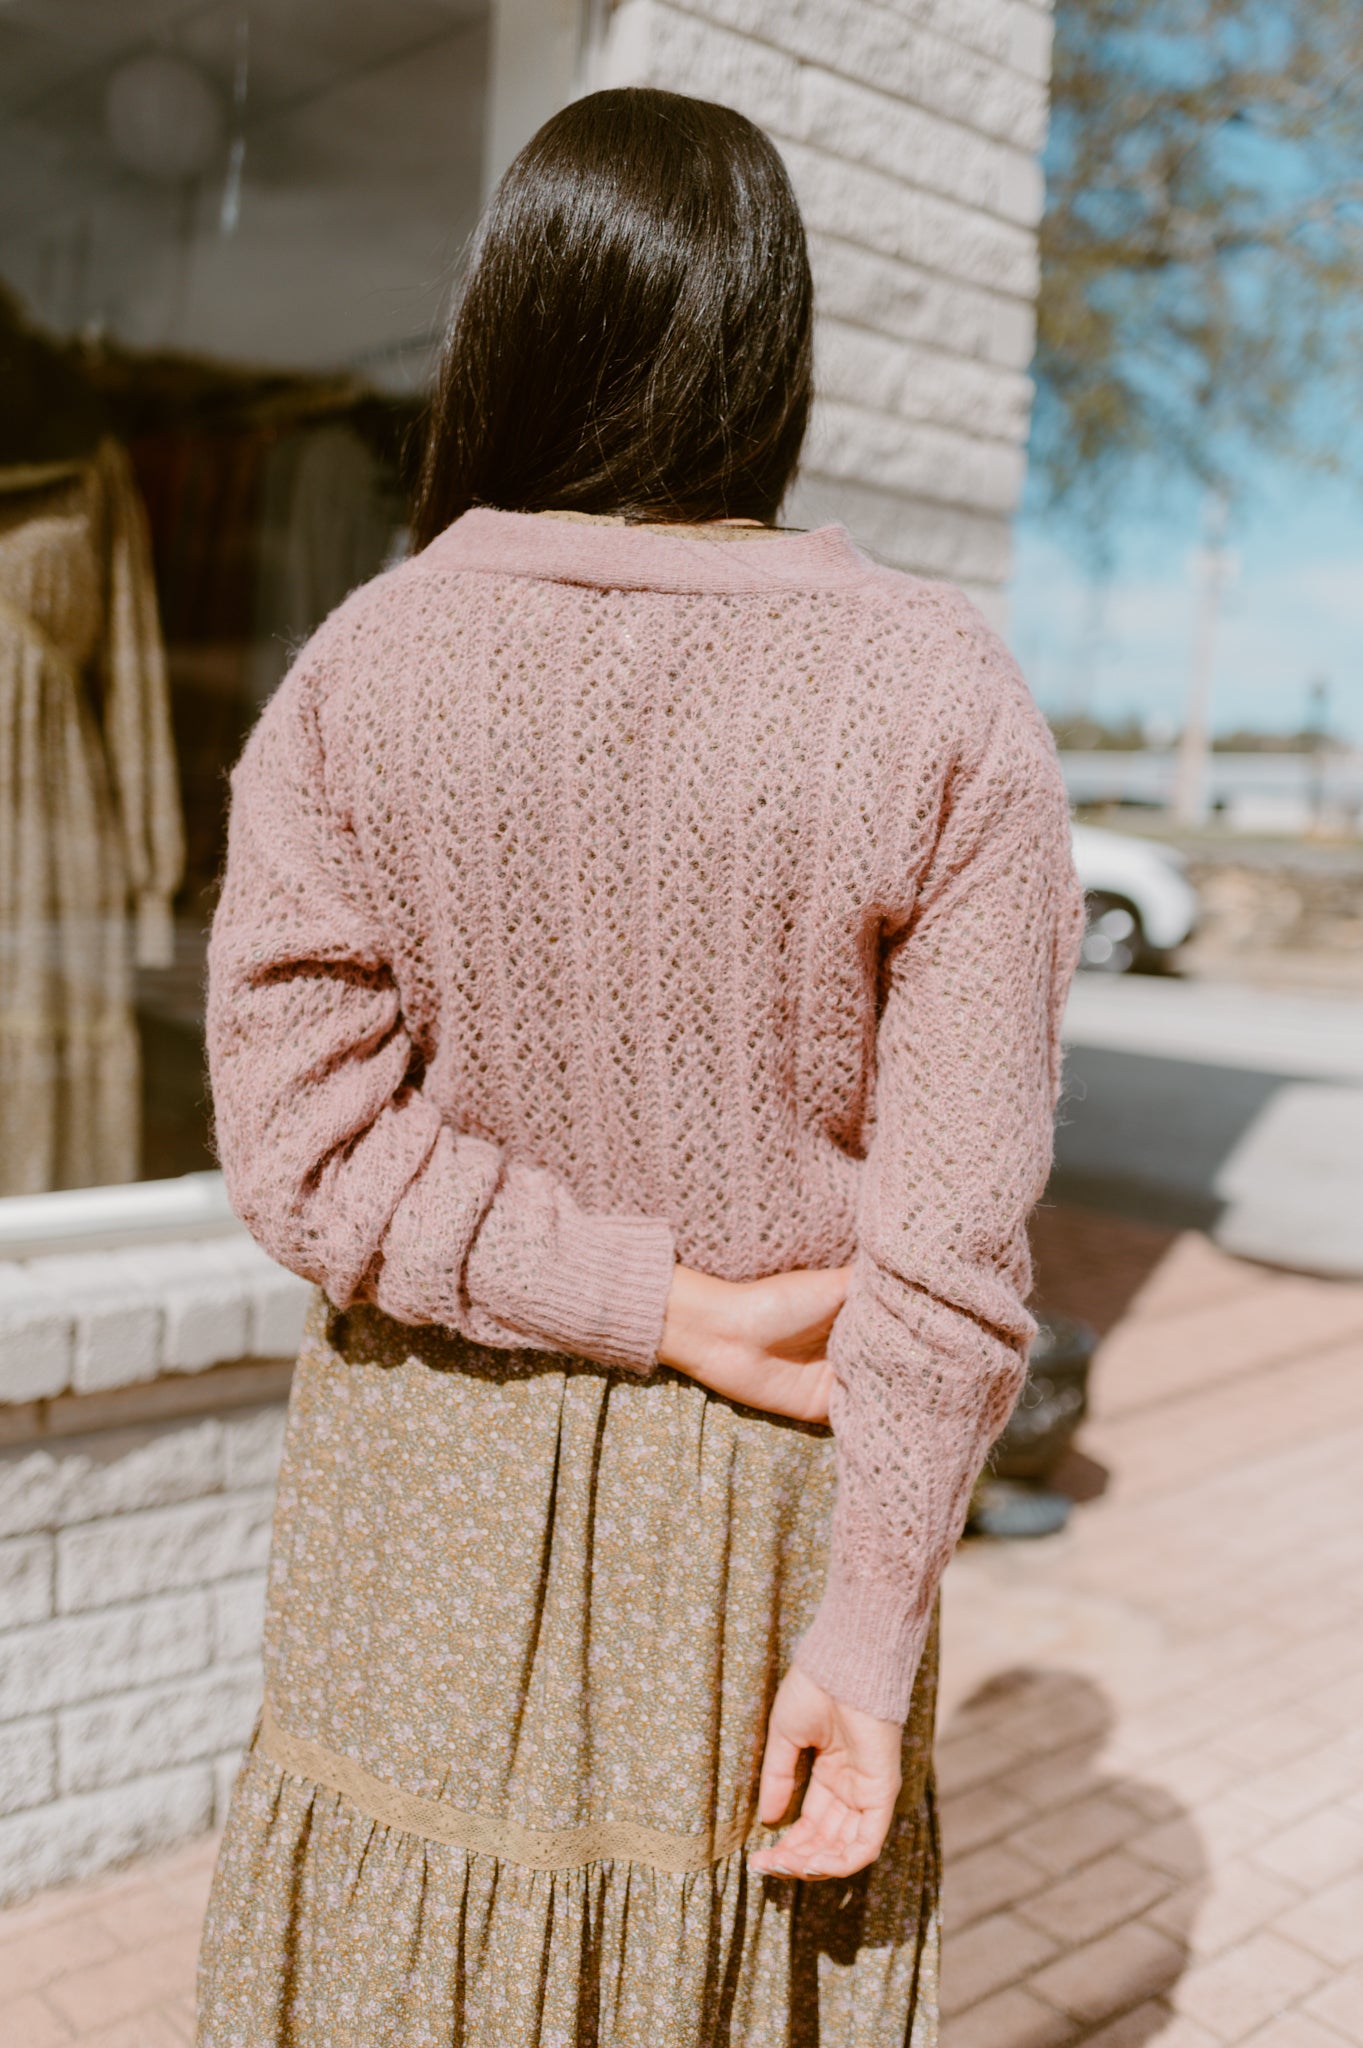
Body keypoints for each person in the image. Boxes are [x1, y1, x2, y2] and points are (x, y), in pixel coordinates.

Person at [196, 86, 1081, 2047]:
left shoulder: (365, 667)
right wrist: (864, 1639)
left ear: (508, 323)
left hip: (421, 1495)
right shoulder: (942, 701)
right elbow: (948, 1264)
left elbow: (301, 1146)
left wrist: (637, 1300)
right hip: (766, 1516)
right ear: (770, 351)